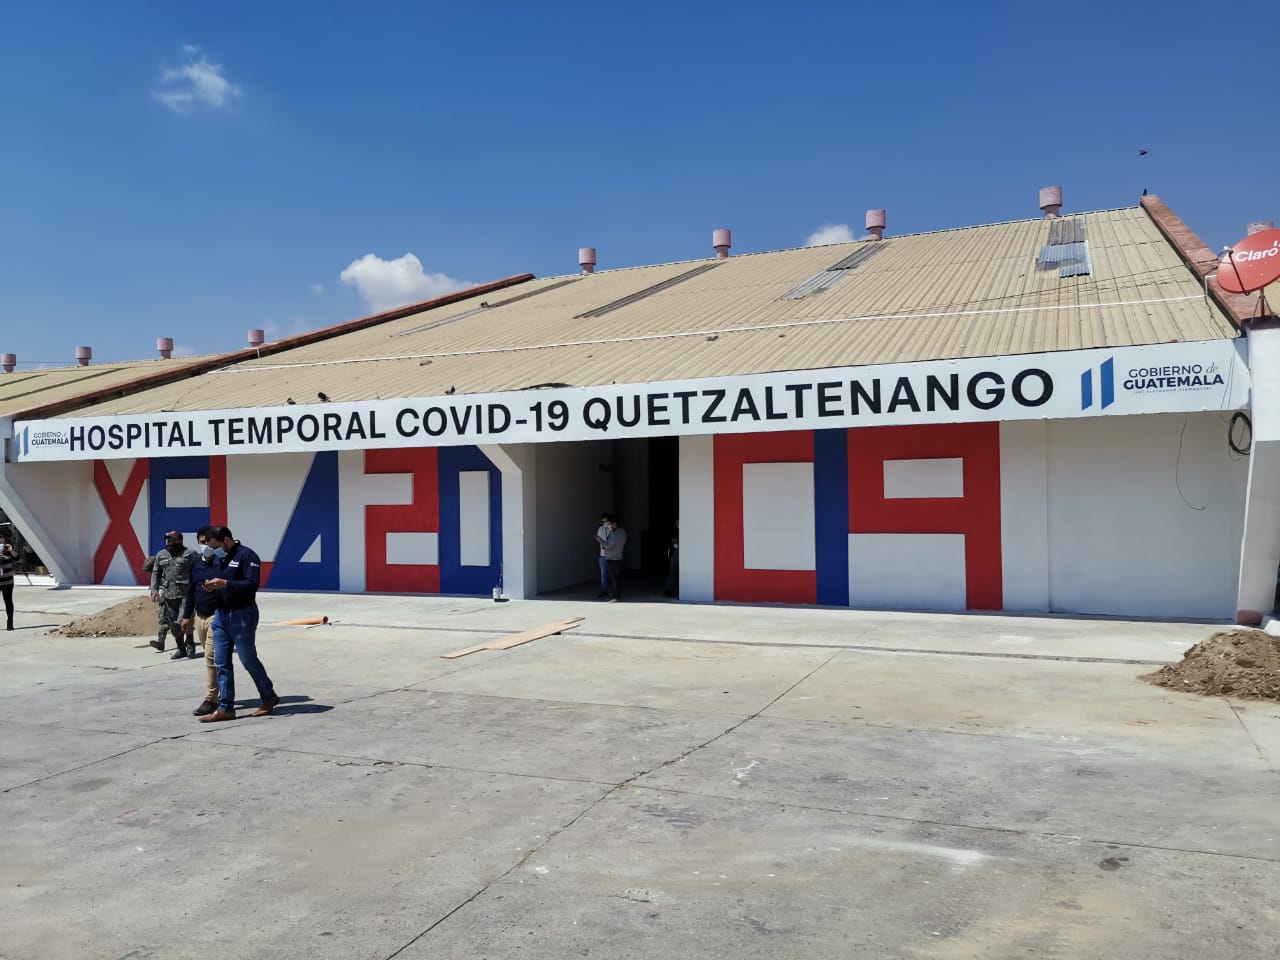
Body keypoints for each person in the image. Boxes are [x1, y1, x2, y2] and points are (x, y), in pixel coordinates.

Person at [199, 526, 280, 723]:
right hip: (221, 616)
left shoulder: (247, 556)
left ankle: (268, 696)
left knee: (248, 660)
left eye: (215, 546)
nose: (212, 551)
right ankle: (225, 707)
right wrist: (211, 586)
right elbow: (217, 580)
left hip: (242, 615)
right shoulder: (218, 558)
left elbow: (252, 584)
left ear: (226, 540)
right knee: (221, 662)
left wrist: (226, 584)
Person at [181, 527, 221, 716]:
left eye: (208, 542)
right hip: (200, 616)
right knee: (213, 658)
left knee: (211, 658)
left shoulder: (221, 562)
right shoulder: (196, 562)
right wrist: (186, 616)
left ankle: (210, 699)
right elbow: (191, 590)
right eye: (202, 542)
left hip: (217, 616)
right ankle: (223, 691)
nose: (205, 546)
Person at [151, 531, 197, 660]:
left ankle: (190, 645)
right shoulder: (161, 554)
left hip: (186, 594)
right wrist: (154, 589)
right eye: (168, 540)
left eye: (173, 540)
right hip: (168, 595)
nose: (170, 542)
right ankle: (181, 649)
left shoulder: (190, 554)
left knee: (184, 621)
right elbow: (156, 572)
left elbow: (197, 571)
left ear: (180, 540)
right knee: (173, 625)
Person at [601, 516, 626, 602]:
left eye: (610, 524)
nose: (609, 526)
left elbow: (608, 545)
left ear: (614, 523)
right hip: (618, 558)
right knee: (616, 578)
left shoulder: (615, 533)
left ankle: (615, 596)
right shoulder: (623, 532)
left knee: (614, 578)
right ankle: (615, 595)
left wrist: (600, 540)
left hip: (612, 559)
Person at [593, 513, 612, 599]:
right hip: (602, 555)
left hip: (612, 555)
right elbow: (598, 539)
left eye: (606, 521)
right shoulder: (600, 529)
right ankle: (604, 591)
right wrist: (600, 542)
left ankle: (615, 592)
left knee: (613, 575)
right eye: (603, 521)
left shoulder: (613, 529)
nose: (605, 523)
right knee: (603, 575)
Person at [0, 532, 17, 631]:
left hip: (8, 582)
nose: (1, 544)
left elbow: (17, 558)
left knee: (8, 602)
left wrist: (11, 550)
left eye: (3, 542)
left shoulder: (9, 551)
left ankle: (10, 623)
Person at [663, 525, 679, 598]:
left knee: (675, 573)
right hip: (675, 553)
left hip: (678, 553)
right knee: (673, 572)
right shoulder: (674, 530)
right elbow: (673, 541)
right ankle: (669, 590)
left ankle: (671, 590)